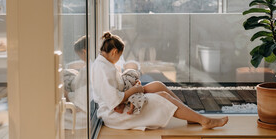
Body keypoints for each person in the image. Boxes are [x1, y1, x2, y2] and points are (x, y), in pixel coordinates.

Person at [91, 31, 228, 130]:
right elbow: (113, 99)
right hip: (115, 113)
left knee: (158, 85)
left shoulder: (105, 64)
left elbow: (116, 87)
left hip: (121, 99)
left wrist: (132, 85)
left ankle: (190, 116)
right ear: (114, 51)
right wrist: (135, 90)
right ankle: (204, 121)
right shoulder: (102, 69)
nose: (119, 59)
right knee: (163, 97)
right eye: (120, 55)